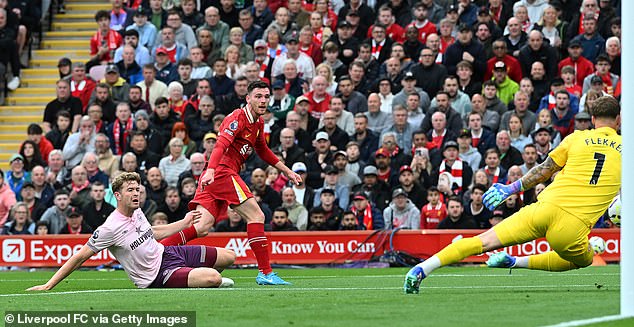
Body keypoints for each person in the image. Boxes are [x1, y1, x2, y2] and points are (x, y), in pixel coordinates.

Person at [404, 96, 621, 294]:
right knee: (584, 259)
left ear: (592, 119)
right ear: (618, 119)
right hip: (572, 227)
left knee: (483, 241)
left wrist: (510, 188)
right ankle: (515, 262)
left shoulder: (576, 138)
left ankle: (422, 268)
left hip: (543, 209)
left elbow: (543, 169)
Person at [28, 172, 236, 291]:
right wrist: (48, 285)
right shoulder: (109, 228)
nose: (136, 193)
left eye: (137, 189)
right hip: (156, 276)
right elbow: (79, 257)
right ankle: (197, 280)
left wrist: (184, 223)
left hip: (168, 254)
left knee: (229, 257)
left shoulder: (137, 211)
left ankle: (193, 278)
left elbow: (152, 232)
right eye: (131, 190)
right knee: (213, 278)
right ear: (117, 195)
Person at [183, 81, 301, 285]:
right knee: (257, 215)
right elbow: (220, 146)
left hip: (216, 175)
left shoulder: (258, 122)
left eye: (266, 97)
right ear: (248, 98)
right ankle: (265, 272)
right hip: (221, 172)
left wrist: (287, 171)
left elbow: (263, 150)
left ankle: (157, 254)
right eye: (258, 96)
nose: (263, 100)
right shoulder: (237, 118)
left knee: (201, 227)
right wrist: (211, 170)